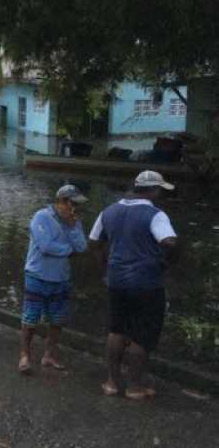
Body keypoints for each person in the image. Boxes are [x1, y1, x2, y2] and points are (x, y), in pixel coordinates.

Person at [89, 171, 178, 400]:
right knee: (141, 336)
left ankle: (111, 382)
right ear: (153, 190)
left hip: (116, 281)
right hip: (146, 284)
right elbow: (168, 241)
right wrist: (165, 261)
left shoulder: (108, 211)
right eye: (160, 190)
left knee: (116, 330)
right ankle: (134, 387)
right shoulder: (155, 214)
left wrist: (104, 270)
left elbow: (94, 241)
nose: (161, 194)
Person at [18, 184, 88, 374]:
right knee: (30, 318)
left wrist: (73, 228)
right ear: (63, 201)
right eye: (74, 204)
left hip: (61, 278)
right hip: (37, 275)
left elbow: (82, 247)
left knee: (58, 320)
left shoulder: (74, 222)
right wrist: (68, 250)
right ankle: (25, 355)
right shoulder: (42, 216)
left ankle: (49, 354)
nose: (76, 208)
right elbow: (46, 246)